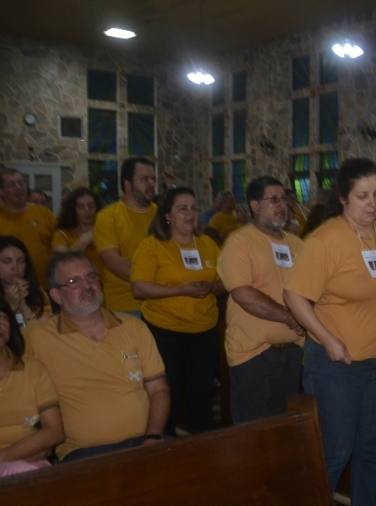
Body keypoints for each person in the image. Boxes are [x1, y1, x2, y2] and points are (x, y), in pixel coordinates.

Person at [284, 159, 376, 506]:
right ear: (342, 199)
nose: (372, 204)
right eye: (362, 197)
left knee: (372, 447)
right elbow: (295, 296)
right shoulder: (326, 240)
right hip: (338, 364)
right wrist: (328, 339)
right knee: (335, 449)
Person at [24, 252, 170, 461]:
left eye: (91, 277)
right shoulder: (36, 337)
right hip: (83, 453)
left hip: (144, 442)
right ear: (56, 296)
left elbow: (159, 389)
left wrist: (153, 437)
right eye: (74, 281)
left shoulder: (133, 327)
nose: (87, 286)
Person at [130, 188, 222, 436]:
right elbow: (139, 287)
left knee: (202, 394)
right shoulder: (152, 246)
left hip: (204, 331)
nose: (190, 214)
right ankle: (166, 444)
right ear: (167, 216)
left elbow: (227, 279)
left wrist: (212, 286)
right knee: (168, 393)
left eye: (193, 208)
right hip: (165, 332)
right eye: (183, 208)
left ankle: (204, 446)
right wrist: (181, 290)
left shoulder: (208, 244)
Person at [218, 177, 305, 424]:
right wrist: (291, 316)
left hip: (291, 353)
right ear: (255, 206)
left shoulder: (297, 244)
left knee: (283, 431)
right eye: (273, 199)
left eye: (284, 200)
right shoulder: (240, 243)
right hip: (253, 355)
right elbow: (243, 294)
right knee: (253, 435)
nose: (282, 206)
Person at [0, 299, 64, 476]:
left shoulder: (33, 369)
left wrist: (7, 457)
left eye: (2, 318)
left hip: (28, 463)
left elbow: (54, 431)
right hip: (25, 460)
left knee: (23, 472)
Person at [94, 157, 157, 315]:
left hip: (160, 304)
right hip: (124, 307)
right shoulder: (108, 216)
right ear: (127, 184)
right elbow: (113, 262)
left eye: (153, 179)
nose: (151, 184)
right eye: (144, 179)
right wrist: (161, 280)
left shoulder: (162, 214)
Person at [0, 168, 56, 289]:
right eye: (12, 185)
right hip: (6, 288)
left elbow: (58, 245)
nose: (19, 188)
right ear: (1, 191)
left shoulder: (44, 213)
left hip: (45, 286)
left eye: (21, 183)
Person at [51, 187, 106, 282]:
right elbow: (61, 264)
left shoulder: (106, 231)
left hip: (107, 286)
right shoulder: (62, 235)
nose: (87, 210)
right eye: (81, 207)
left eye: (91, 206)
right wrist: (84, 241)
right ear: (73, 210)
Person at [0, 236, 52, 327]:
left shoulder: (38, 293)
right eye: (7, 261)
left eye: (21, 261)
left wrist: (24, 306)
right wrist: (10, 309)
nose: (15, 267)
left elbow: (44, 335)